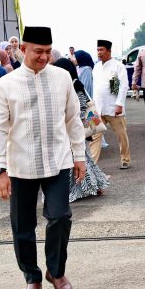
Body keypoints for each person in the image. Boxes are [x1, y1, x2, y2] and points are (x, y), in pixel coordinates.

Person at [0, 26, 86, 289]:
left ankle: (56, 273)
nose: (44, 57)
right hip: (19, 165)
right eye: (37, 52)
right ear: (22, 49)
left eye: (47, 51)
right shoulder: (5, 84)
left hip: (58, 161)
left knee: (59, 216)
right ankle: (32, 277)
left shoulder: (62, 77)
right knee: (22, 225)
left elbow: (73, 119)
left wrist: (79, 156)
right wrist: (0, 170)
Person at [52, 58, 110, 202]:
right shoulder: (68, 84)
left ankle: (82, 188)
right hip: (71, 128)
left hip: (75, 128)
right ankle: (94, 186)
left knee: (75, 159)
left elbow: (82, 107)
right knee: (82, 158)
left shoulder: (75, 84)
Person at [91, 39, 131, 169]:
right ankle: (92, 166)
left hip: (113, 107)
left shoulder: (117, 66)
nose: (99, 52)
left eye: (101, 50)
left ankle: (125, 159)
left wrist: (119, 104)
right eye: (97, 50)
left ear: (109, 51)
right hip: (97, 108)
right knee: (94, 136)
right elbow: (96, 87)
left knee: (121, 135)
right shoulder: (96, 67)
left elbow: (123, 87)